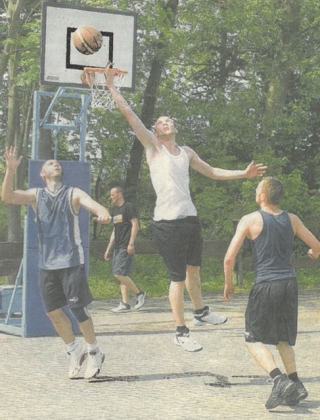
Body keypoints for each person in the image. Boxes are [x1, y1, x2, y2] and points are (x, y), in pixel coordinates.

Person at [105, 71, 267, 352]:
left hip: (190, 219)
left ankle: (201, 311)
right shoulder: (153, 147)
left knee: (194, 272)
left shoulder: (187, 151)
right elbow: (129, 113)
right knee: (177, 278)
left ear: (174, 127)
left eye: (168, 120)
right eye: (159, 122)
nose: (164, 122)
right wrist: (110, 86)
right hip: (166, 224)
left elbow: (212, 171)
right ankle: (180, 330)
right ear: (155, 131)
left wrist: (243, 173)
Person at [2, 147, 112, 380]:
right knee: (53, 312)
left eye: (58, 163)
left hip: (71, 261)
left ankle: (94, 351)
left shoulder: (73, 193)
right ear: (43, 173)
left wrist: (103, 212)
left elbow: (93, 204)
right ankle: (74, 350)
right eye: (51, 163)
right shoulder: (36, 195)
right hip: (47, 264)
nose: (56, 164)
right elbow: (8, 197)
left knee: (77, 309)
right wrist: (10, 170)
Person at [223, 176, 320, 409]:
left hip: (266, 284)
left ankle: (278, 379)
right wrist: (313, 254)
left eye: (258, 189)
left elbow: (229, 258)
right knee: (282, 338)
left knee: (251, 338)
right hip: (289, 283)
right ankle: (296, 384)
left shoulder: (250, 220)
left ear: (264, 196)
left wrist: (228, 283)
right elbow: (316, 246)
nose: (256, 192)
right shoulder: (292, 219)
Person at [104, 186, 146, 312]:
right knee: (123, 274)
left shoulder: (128, 207)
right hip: (117, 246)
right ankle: (125, 304)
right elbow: (114, 231)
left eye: (112, 195)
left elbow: (135, 224)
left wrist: (131, 243)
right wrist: (108, 249)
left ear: (119, 194)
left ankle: (140, 294)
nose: (110, 197)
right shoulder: (115, 211)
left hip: (126, 246)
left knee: (118, 273)